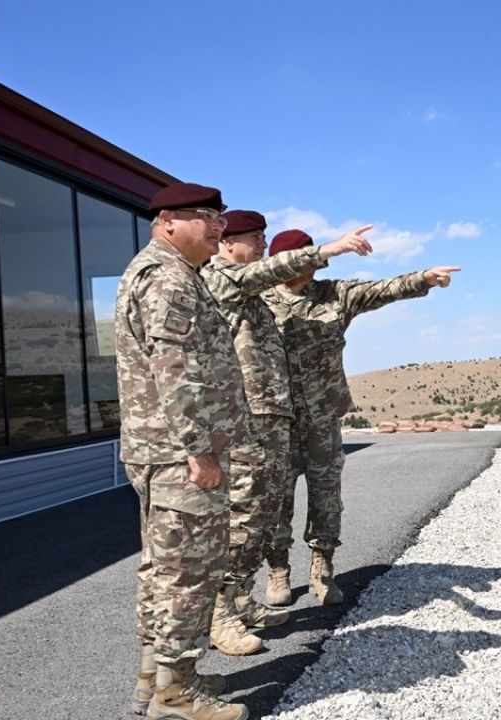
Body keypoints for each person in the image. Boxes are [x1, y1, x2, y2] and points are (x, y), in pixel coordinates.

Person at [198, 210, 372, 655]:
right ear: (227, 243)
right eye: (254, 238)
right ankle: (223, 611)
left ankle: (240, 600)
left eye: (262, 237)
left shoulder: (252, 286)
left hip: (275, 417)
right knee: (246, 515)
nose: (260, 243)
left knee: (265, 509)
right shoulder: (223, 279)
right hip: (249, 418)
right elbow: (272, 269)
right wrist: (329, 249)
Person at [261, 228, 459, 605]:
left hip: (323, 414)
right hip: (275, 418)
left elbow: (381, 290)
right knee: (275, 497)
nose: (314, 264)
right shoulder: (257, 299)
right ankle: (277, 569)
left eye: (314, 256)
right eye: (304, 256)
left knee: (326, 495)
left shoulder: (333, 294)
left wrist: (424, 279)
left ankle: (322, 567)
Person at [115, 182, 249, 719]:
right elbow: (174, 373)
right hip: (180, 456)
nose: (217, 225)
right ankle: (177, 695)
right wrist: (200, 450)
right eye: (205, 216)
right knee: (189, 572)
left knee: (164, 568)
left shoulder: (169, 273)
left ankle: (155, 677)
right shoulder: (168, 279)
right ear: (167, 220)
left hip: (163, 450)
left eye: (219, 217)